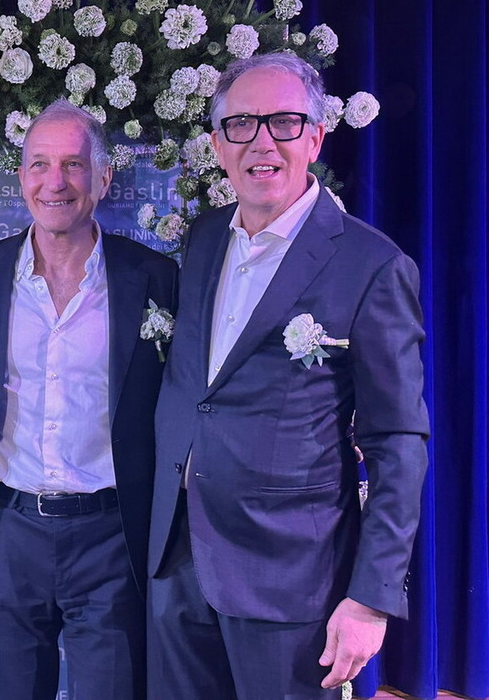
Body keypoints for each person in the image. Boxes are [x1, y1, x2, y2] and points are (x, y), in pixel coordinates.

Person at [147, 53, 429, 699]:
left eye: (283, 122)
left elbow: (397, 441)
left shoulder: (371, 265)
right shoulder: (203, 240)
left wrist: (372, 599)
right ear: (218, 144)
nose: (262, 142)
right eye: (242, 124)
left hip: (290, 580)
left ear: (315, 138)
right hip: (177, 565)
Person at [0, 99, 178, 700]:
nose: (56, 182)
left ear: (103, 177)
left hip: (112, 536)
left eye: (74, 164)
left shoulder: (154, 279)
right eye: (40, 164)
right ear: (21, 177)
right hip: (5, 531)